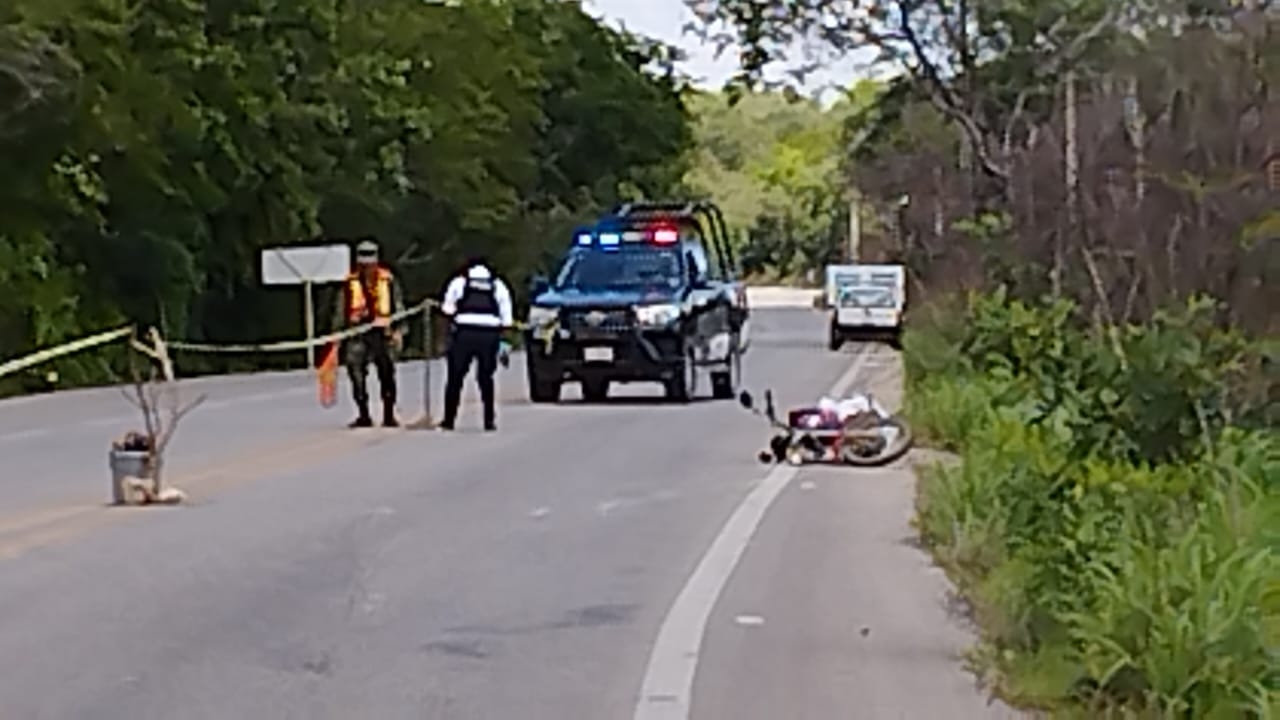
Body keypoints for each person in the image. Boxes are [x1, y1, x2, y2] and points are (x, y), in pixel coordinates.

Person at [333, 238, 406, 428]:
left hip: (383, 332)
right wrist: (337, 335)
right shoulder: (350, 282)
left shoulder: (387, 280)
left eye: (370, 260)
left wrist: (399, 330)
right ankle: (363, 414)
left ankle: (389, 414)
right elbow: (342, 309)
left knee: (387, 373)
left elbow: (397, 305)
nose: (367, 265)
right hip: (357, 333)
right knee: (355, 372)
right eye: (363, 261)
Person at [438, 255, 514, 431]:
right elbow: (507, 319)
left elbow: (447, 311)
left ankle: (449, 420)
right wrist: (505, 345)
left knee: (455, 378)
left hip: (464, 333)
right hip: (489, 335)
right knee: (485, 378)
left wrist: (444, 339)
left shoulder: (459, 282)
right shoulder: (498, 285)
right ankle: (489, 420)